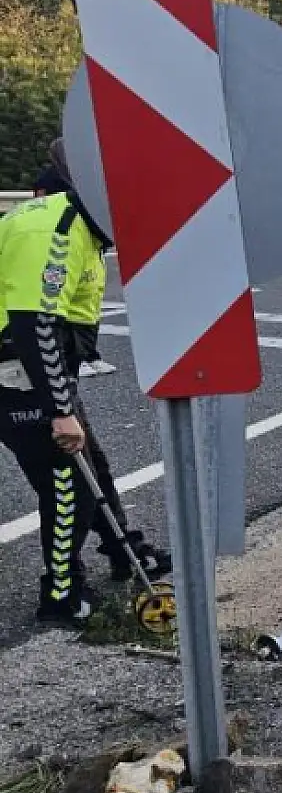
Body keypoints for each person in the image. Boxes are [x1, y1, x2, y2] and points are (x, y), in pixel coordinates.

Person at [0, 148, 167, 623]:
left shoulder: (82, 229)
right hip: (15, 373)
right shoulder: (53, 231)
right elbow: (33, 326)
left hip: (34, 371)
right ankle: (60, 593)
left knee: (93, 465)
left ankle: (123, 552)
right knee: (67, 482)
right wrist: (59, 408)